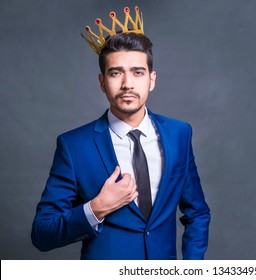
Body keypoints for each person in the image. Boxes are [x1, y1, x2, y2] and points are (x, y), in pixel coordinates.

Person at [31, 5, 210, 260]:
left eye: (138, 72)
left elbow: (197, 213)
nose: (127, 84)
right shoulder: (73, 146)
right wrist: (96, 208)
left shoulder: (179, 134)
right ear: (102, 82)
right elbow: (42, 234)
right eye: (116, 73)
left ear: (152, 79)